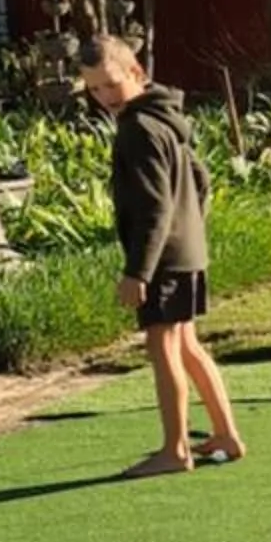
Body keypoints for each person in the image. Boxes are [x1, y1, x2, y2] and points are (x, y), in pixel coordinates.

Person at [77, 35, 246, 480]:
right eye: (93, 89)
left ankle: (176, 450)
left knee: (163, 346)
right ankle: (226, 435)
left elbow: (154, 208)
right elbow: (200, 179)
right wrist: (192, 227)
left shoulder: (138, 128)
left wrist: (138, 271)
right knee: (186, 344)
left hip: (165, 260)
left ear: (136, 72)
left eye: (111, 84)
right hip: (186, 251)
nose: (104, 97)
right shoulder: (167, 116)